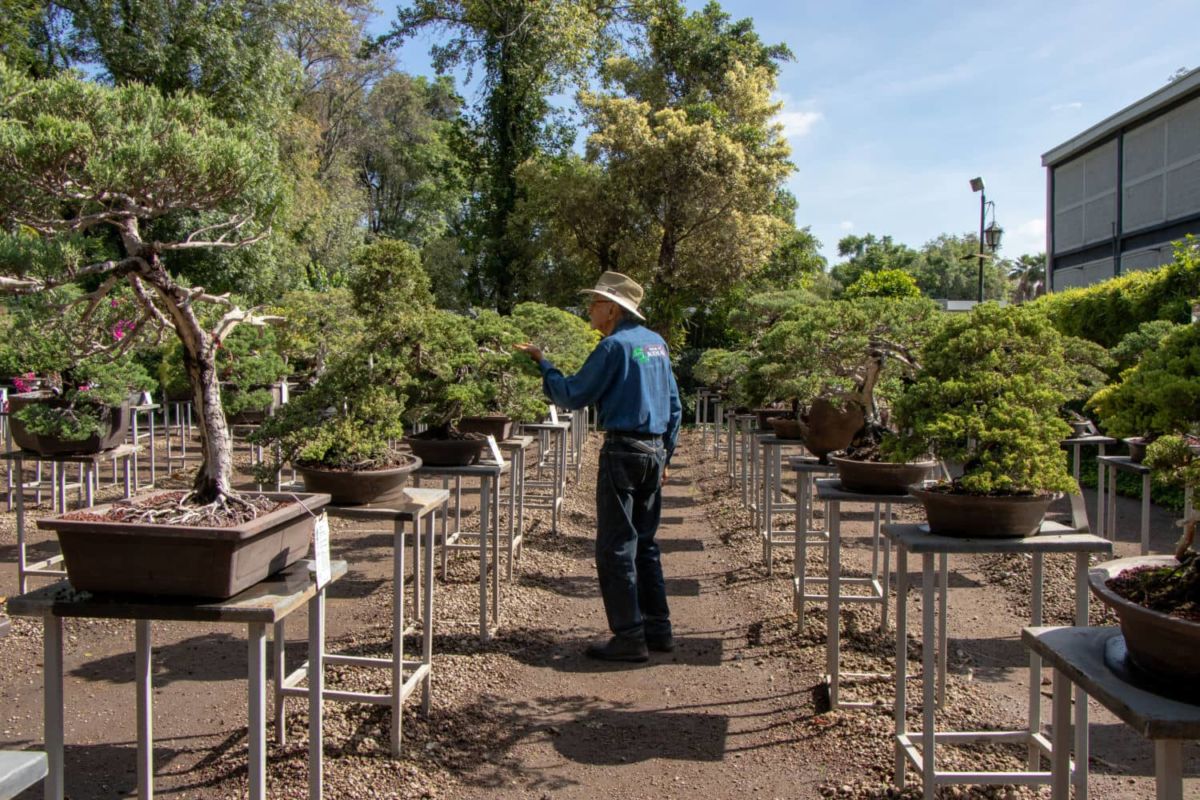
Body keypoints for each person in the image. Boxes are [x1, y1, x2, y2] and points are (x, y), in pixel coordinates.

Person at [516, 271, 681, 663]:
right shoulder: (656, 344)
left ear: (612, 308)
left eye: (594, 302)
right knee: (646, 544)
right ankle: (659, 630)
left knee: (615, 547)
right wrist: (667, 456)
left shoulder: (613, 348)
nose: (589, 308)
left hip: (623, 452)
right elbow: (674, 405)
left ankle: (629, 637)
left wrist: (544, 364)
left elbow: (573, 395)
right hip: (654, 452)